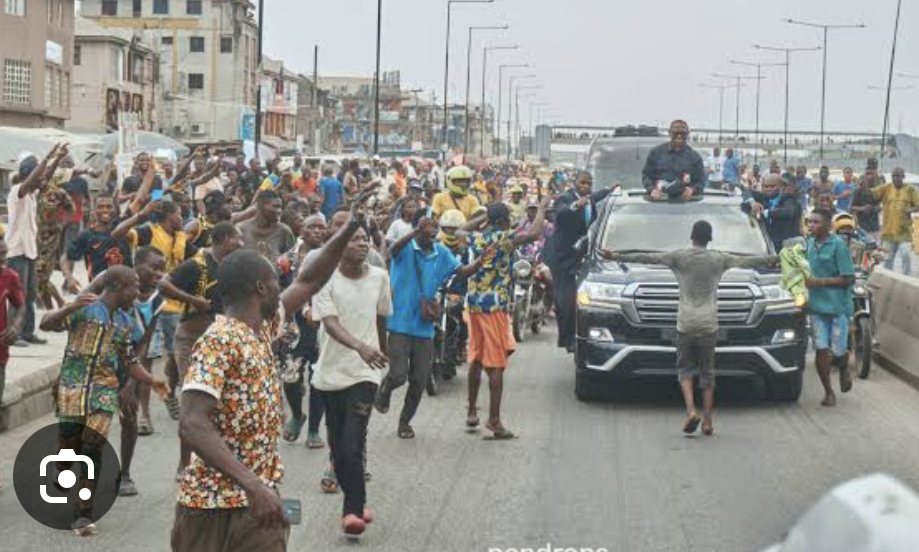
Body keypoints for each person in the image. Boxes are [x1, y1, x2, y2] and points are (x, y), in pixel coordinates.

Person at [600, 221, 778, 435]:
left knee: (685, 370)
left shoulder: (679, 257)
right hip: (709, 323)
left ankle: (692, 411)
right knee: (707, 373)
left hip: (685, 322)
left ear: (692, 237)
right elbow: (749, 262)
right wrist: (775, 259)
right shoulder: (719, 258)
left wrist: (616, 257)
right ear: (709, 239)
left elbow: (647, 258)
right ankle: (708, 421)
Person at [39, 266, 168, 536]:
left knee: (93, 446)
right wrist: (68, 308)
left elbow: (130, 361)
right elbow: (46, 323)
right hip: (72, 389)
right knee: (69, 447)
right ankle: (62, 468)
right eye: (133, 287)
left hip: (103, 391)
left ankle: (83, 514)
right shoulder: (84, 308)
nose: (137, 292)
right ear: (118, 287)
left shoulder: (124, 322)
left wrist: (151, 380)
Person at [374, 210, 487, 439]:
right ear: (416, 229)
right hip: (399, 322)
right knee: (398, 375)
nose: (432, 231)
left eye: (434, 227)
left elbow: (460, 271)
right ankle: (385, 389)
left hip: (424, 325)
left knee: (420, 379)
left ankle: (404, 422)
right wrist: (414, 232)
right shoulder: (405, 248)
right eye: (426, 226)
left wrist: (478, 263)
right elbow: (392, 250)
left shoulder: (442, 252)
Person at [159, 222, 243, 476]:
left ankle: (216, 460)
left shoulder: (234, 267)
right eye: (238, 238)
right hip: (192, 338)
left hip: (221, 337)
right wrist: (192, 300)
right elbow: (164, 284)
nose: (241, 243)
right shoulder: (198, 264)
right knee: (194, 400)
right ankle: (185, 463)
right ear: (226, 238)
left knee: (222, 401)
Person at [464, 197, 551, 439]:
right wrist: (542, 209)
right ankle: (494, 420)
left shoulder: (477, 238)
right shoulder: (503, 239)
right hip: (495, 308)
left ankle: (472, 411)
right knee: (496, 365)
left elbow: (461, 229)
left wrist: (484, 218)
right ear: (504, 222)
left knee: (476, 358)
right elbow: (534, 233)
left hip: (473, 304)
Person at [83, 246, 167, 495]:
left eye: (162, 268)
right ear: (137, 265)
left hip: (127, 362)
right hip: (96, 360)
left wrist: (131, 384)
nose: (159, 273)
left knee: (128, 413)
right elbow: (81, 303)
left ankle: (125, 473)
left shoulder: (156, 299)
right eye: (154, 267)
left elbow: (143, 343)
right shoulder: (110, 279)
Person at [7, 146, 69, 346]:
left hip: (29, 252)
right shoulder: (19, 191)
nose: (44, 181)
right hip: (17, 251)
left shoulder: (32, 195)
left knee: (31, 294)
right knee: (19, 295)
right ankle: (12, 334)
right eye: (39, 176)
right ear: (29, 175)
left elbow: (44, 176)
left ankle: (26, 333)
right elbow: (36, 177)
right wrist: (46, 158)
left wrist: (57, 159)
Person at [277, 215, 328, 449]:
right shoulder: (287, 260)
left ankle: (314, 430)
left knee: (318, 380)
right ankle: (298, 415)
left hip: (324, 327)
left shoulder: (332, 258)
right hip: (293, 328)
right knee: (290, 378)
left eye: (321, 227)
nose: (317, 231)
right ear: (301, 230)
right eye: (312, 227)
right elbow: (274, 289)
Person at [551, 172, 615, 352]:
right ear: (574, 183)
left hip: (581, 255)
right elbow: (561, 212)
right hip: (562, 256)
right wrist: (573, 206)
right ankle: (567, 340)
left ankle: (579, 335)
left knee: (582, 301)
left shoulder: (589, 199)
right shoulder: (565, 198)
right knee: (566, 302)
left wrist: (608, 190)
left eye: (589, 183)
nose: (586, 186)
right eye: (582, 183)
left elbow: (595, 197)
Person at [804, 209, 855, 407]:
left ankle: (843, 367)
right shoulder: (808, 244)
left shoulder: (838, 246)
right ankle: (828, 392)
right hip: (816, 308)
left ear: (827, 225)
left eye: (816, 222)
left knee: (839, 350)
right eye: (809, 222)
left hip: (837, 307)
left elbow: (848, 278)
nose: (811, 225)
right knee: (820, 349)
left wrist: (819, 282)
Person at [64, 195, 132, 290]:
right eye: (100, 207)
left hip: (126, 290)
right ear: (94, 210)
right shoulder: (87, 236)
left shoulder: (123, 228)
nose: (105, 210)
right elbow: (65, 257)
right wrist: (69, 278)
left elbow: (139, 204)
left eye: (109, 206)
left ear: (115, 210)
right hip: (99, 292)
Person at [871, 167, 919, 275]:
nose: (895, 178)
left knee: (906, 255)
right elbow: (872, 194)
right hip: (888, 231)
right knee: (887, 259)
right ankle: (888, 279)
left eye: (898, 176)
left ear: (903, 177)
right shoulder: (886, 188)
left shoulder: (911, 190)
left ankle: (906, 278)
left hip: (904, 232)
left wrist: (910, 209)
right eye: (893, 176)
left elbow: (917, 205)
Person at [642, 120, 705, 200]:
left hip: (686, 205)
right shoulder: (656, 153)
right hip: (658, 203)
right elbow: (646, 176)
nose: (679, 136)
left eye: (683, 133)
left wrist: (692, 190)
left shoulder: (695, 157)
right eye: (676, 133)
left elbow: (701, 181)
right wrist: (652, 190)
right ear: (670, 133)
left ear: (687, 134)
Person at [0, 238, 25, 441]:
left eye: (4, 254)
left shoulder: (9, 277)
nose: (3, 260)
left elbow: (19, 305)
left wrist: (15, 327)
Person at [742, 174, 803, 252]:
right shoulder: (764, 198)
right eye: (766, 186)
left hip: (789, 248)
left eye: (772, 186)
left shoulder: (789, 199)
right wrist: (752, 203)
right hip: (767, 247)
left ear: (780, 187)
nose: (769, 189)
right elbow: (746, 193)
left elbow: (788, 211)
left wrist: (764, 212)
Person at [237, 190, 296, 262]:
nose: (279, 211)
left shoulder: (284, 231)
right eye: (275, 206)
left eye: (280, 207)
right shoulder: (241, 229)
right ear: (260, 206)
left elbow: (292, 260)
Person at [850, 169, 882, 241]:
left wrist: (876, 208)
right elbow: (850, 208)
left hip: (874, 226)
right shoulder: (858, 191)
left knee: (875, 248)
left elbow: (880, 206)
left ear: (875, 176)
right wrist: (862, 208)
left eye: (871, 174)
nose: (869, 176)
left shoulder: (878, 190)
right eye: (867, 174)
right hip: (862, 226)